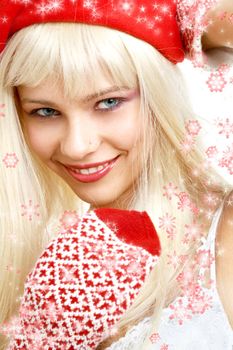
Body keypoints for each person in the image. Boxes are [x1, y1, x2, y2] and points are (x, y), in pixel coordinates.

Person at [0, 0, 232, 349]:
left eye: (109, 102)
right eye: (45, 111)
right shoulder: (44, 263)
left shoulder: (223, 236)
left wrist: (208, 18)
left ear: (158, 96)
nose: (78, 146)